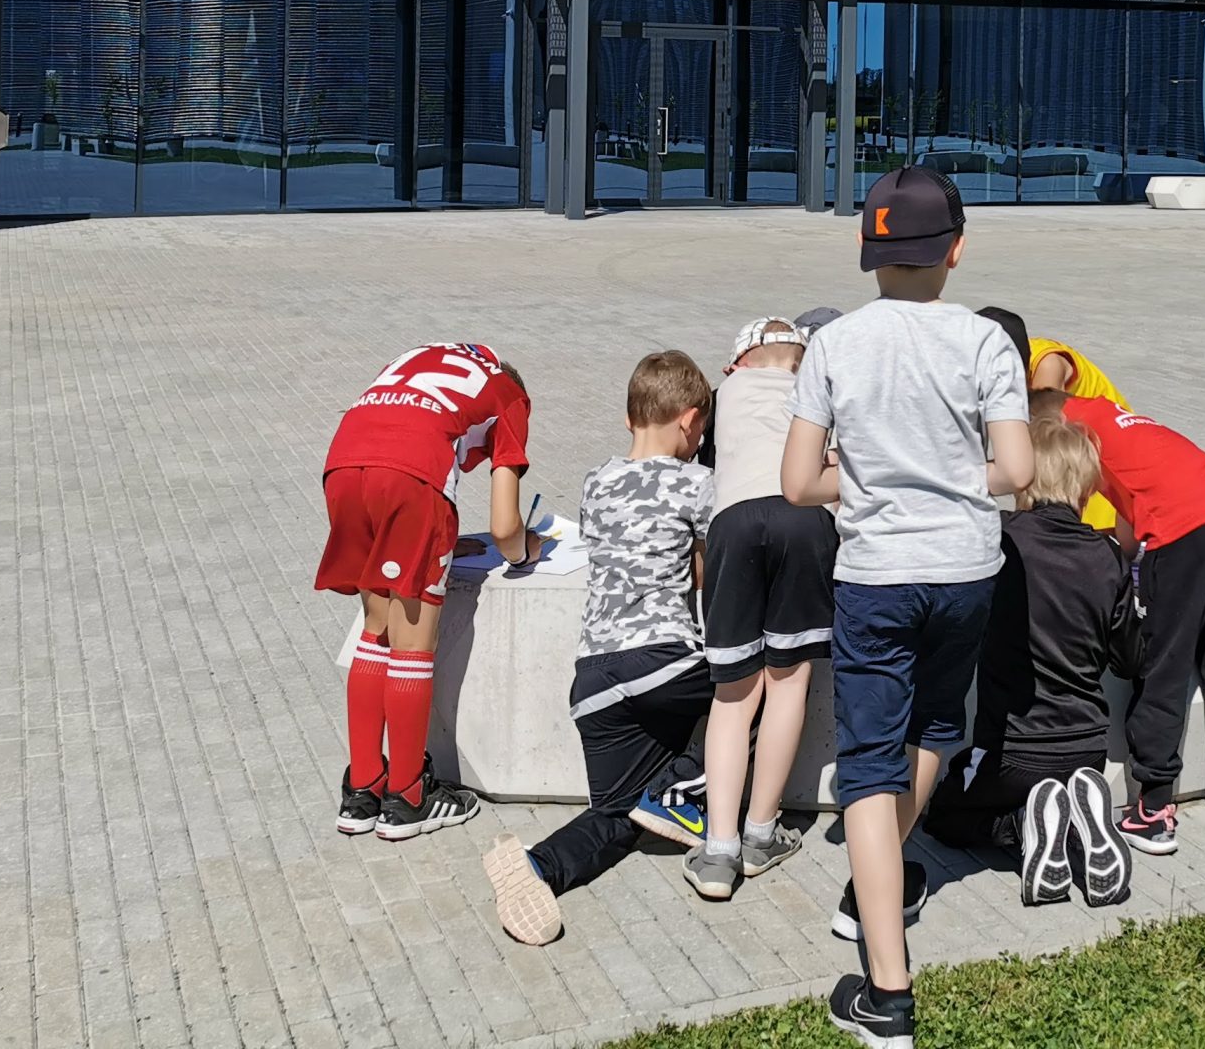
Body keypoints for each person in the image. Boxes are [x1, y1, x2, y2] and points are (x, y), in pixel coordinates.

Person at [781, 166, 1034, 1049]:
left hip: (878, 574)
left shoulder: (836, 345)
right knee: (934, 726)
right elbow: (1017, 471)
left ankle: (887, 992)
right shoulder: (986, 341)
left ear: (867, 250)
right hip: (966, 569)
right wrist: (948, 476)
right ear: (956, 250)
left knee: (867, 764)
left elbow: (797, 482)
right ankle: (875, 888)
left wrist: (871, 481)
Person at [484, 351, 718, 945]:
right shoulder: (698, 483)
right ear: (691, 421)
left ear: (629, 418)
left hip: (593, 679)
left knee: (622, 813)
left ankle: (538, 867)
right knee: (758, 682)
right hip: (663, 660)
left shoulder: (596, 480)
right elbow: (704, 574)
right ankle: (679, 788)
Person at [316, 341, 538, 839]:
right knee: (413, 645)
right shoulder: (510, 395)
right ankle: (409, 797)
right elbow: (505, 527)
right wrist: (526, 550)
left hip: (344, 465)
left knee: (377, 628)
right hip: (413, 481)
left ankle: (362, 789)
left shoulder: (417, 359)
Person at [1045, 389, 1205, 854]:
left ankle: (1152, 810)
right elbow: (1131, 519)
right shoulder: (1114, 419)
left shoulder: (1069, 429)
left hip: (1184, 536)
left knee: (1162, 670)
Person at [923, 414, 1139, 908]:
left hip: (1011, 754)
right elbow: (1129, 660)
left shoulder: (999, 538)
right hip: (1086, 750)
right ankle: (1078, 826)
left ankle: (1024, 827)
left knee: (943, 816)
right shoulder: (1108, 556)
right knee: (1057, 782)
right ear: (1086, 486)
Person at [686, 318, 838, 901]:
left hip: (735, 524)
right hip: (806, 521)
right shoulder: (817, 389)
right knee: (788, 683)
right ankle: (761, 832)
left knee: (733, 693)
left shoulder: (724, 396)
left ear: (737, 363)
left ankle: (718, 850)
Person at [978, 308, 1128, 532]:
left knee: (1081, 526)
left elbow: (1040, 447)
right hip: (1077, 442)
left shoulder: (1046, 366)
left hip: (1097, 448)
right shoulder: (1015, 355)